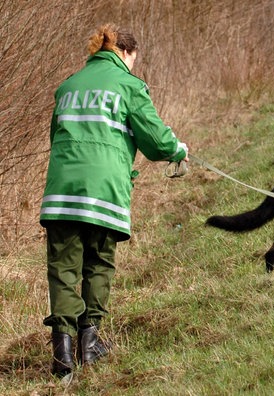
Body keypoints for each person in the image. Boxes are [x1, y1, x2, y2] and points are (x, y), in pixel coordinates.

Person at [39, 23, 189, 378]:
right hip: (104, 192)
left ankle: (62, 358)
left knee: (62, 270)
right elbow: (155, 139)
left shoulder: (68, 86)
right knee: (99, 263)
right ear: (126, 52)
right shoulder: (129, 85)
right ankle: (89, 346)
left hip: (61, 192)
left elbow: (54, 137)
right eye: (135, 59)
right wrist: (178, 149)